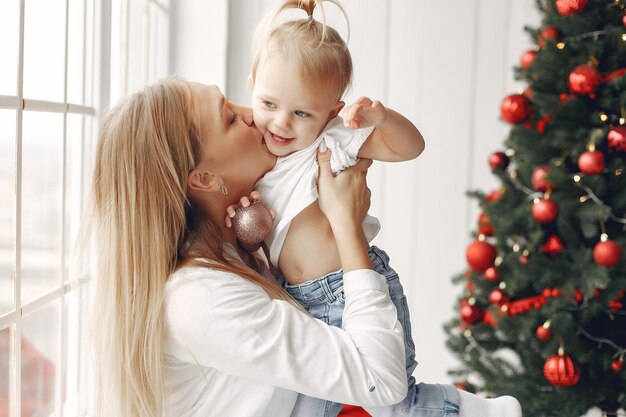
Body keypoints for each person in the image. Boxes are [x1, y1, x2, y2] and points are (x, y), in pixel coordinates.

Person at [231, 1, 524, 416]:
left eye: (301, 112)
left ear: (330, 112)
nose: (281, 123)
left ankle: (484, 411)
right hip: (300, 303)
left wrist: (382, 119)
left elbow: (410, 148)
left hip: (351, 289)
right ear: (251, 87)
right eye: (269, 104)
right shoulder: (249, 154)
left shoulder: (330, 139)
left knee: (394, 404)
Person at [85, 77, 410, 417]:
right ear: (205, 179)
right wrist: (345, 224)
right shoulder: (198, 297)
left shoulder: (231, 247)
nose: (254, 114)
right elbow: (381, 380)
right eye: (229, 118)